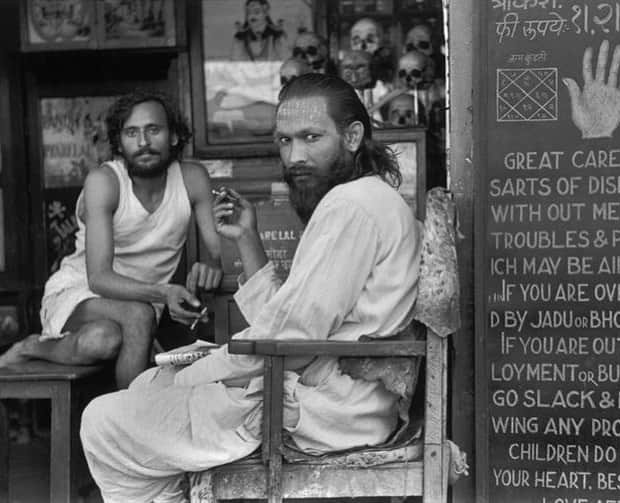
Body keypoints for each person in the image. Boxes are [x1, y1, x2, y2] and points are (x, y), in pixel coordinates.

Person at [79, 73, 422, 503]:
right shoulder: (368, 199)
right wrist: (247, 239)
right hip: (334, 399)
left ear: (352, 136)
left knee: (102, 420)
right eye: (284, 141)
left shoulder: (349, 208)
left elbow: (291, 337)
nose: (295, 156)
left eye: (311, 137)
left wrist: (192, 374)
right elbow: (293, 317)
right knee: (148, 389)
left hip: (320, 410)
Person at [0, 91, 223, 389]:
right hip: (81, 292)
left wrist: (211, 264)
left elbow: (219, 247)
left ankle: (31, 346)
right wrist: (163, 292)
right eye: (132, 133)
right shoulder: (105, 182)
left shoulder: (192, 178)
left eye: (153, 130)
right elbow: (99, 278)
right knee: (138, 315)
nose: (143, 142)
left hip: (143, 300)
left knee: (102, 341)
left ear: (173, 136)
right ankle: (131, 425)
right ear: (119, 143)